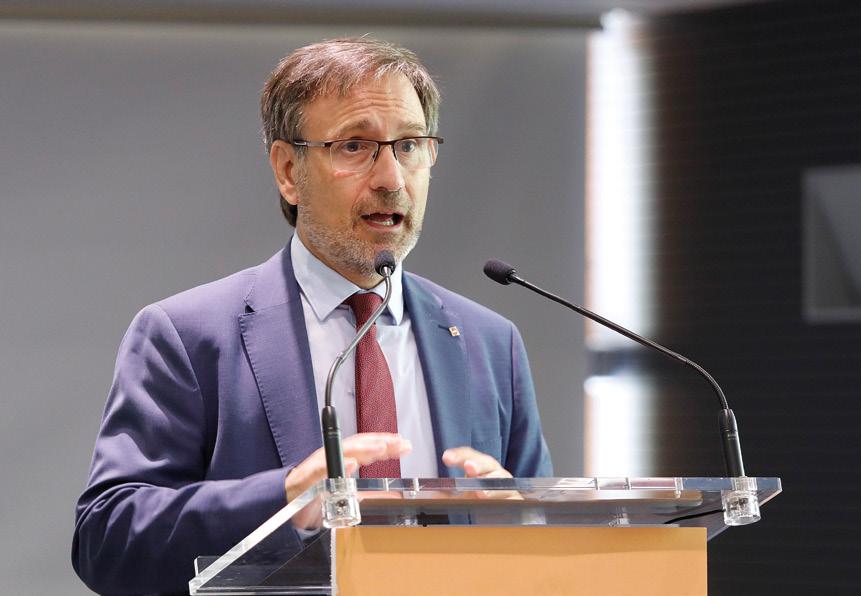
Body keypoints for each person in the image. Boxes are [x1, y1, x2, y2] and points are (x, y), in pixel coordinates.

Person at [72, 38, 552, 595]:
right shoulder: (187, 335)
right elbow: (107, 539)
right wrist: (283, 501)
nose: (391, 178)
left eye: (409, 145)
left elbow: (546, 552)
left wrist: (525, 525)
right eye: (354, 146)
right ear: (287, 170)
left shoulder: (490, 342)